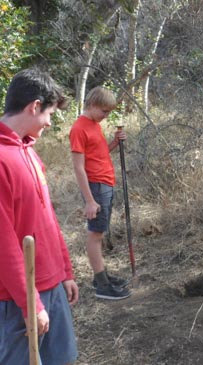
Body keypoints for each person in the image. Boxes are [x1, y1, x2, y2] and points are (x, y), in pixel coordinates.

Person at [0, 68, 78, 364]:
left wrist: (65, 272)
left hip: (51, 286)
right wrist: (30, 303)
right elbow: (4, 244)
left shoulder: (29, 151)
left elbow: (47, 220)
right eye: (50, 114)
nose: (49, 122)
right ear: (34, 106)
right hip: (16, 299)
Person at [69, 86, 131, 300]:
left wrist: (115, 141)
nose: (106, 116)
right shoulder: (79, 128)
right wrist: (89, 200)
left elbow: (100, 153)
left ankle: (100, 276)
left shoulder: (94, 124)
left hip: (105, 183)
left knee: (100, 233)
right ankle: (101, 285)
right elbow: (78, 167)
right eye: (104, 111)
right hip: (95, 187)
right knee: (95, 235)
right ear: (92, 104)